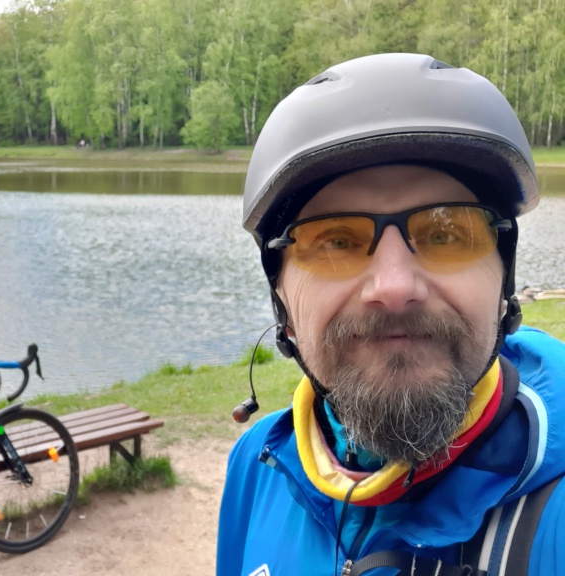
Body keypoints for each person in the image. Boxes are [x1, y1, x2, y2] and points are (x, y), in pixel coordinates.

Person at [217, 53, 565, 575]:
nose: (395, 287)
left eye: (446, 234)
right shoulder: (256, 464)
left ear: (503, 282)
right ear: (281, 299)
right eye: (336, 241)